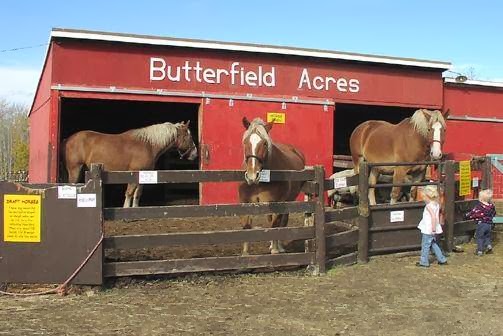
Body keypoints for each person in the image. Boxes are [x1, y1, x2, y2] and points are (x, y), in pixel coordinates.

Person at [416, 185, 448, 267]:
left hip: (428, 229)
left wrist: (433, 228)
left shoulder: (428, 206)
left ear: (427, 197)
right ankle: (442, 259)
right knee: (433, 244)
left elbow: (433, 217)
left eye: (423, 197)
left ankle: (424, 261)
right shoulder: (436, 204)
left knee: (425, 245)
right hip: (433, 228)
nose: (423, 199)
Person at [466, 189, 496, 256]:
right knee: (487, 236)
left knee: (479, 237)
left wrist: (467, 215)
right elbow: (494, 213)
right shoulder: (491, 206)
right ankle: (489, 246)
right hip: (489, 224)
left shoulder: (479, 206)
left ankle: (480, 251)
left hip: (481, 224)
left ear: (481, 198)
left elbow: (473, 212)